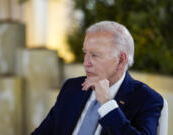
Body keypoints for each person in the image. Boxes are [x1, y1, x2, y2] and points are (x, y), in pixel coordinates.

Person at [31, 21, 163, 135]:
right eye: (85, 53)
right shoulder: (72, 88)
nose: (86, 63)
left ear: (121, 60)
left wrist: (107, 104)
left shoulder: (147, 99)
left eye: (95, 55)